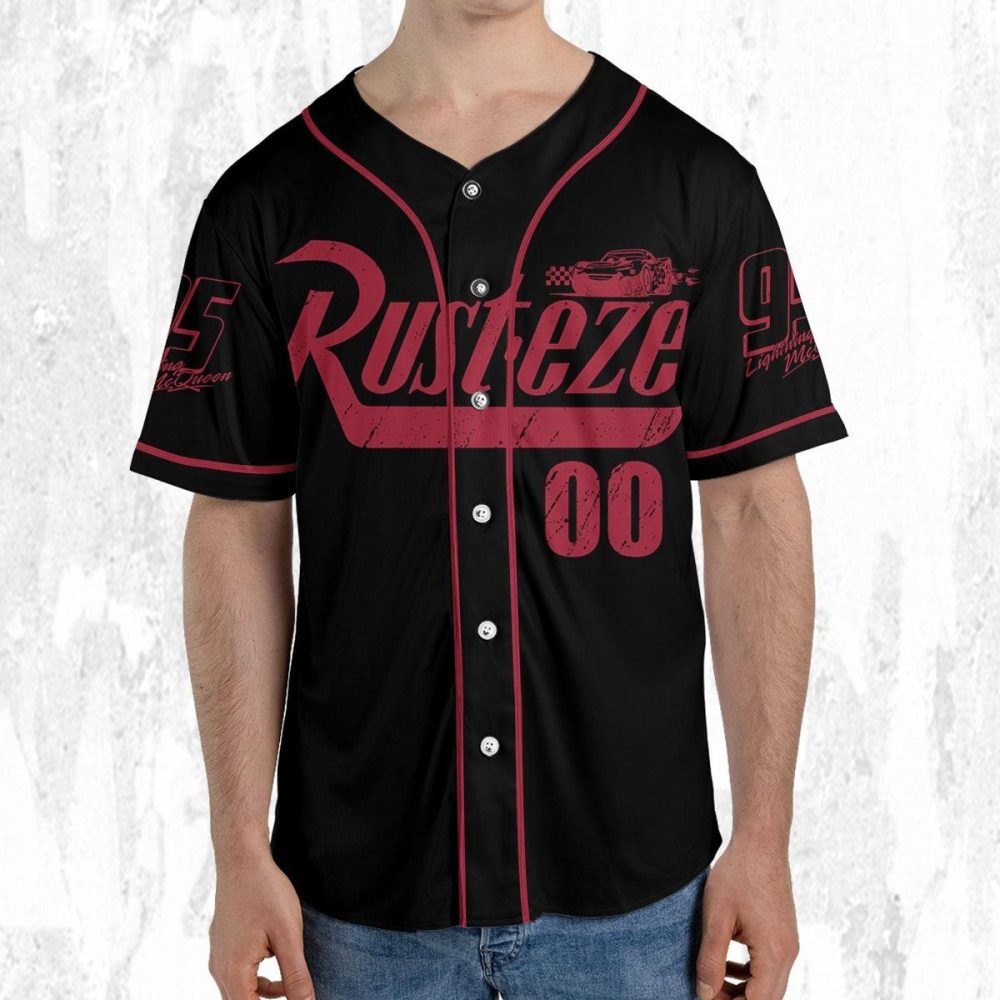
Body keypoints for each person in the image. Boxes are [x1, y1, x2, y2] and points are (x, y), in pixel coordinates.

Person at [130, 2, 848, 998]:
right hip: (357, 907)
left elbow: (753, 509)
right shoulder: (270, 199)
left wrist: (764, 839)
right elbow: (237, 527)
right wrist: (238, 849)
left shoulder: (693, 183)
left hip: (642, 904)